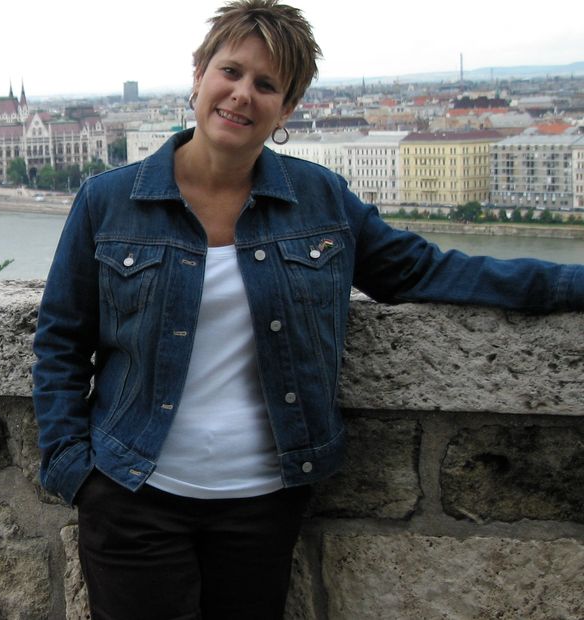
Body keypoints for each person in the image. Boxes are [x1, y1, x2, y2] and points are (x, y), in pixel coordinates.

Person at [31, 1, 584, 618]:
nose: (243, 95)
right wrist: (73, 470)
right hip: (132, 494)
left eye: (267, 85)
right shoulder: (108, 200)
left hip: (262, 500)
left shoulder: (318, 199)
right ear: (198, 75)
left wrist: (568, 285)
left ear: (288, 108)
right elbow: (60, 338)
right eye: (231, 72)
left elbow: (425, 270)